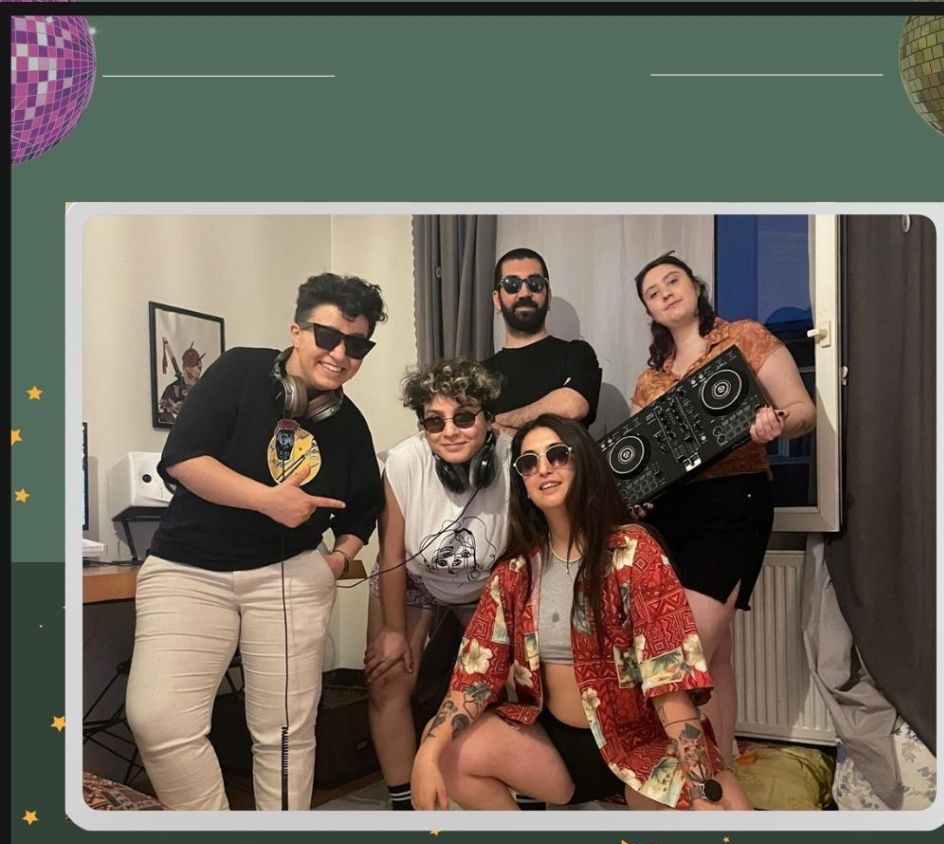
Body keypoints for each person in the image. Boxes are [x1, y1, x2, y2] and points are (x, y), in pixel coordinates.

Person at [125, 273, 387, 811]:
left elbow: (364, 508)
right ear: (297, 331)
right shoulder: (240, 370)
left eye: (357, 345)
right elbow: (182, 458)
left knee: (286, 736)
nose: (340, 354)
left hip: (290, 576)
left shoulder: (349, 425)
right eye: (328, 336)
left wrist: (338, 560)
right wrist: (269, 500)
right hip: (188, 570)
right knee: (158, 721)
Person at [410, 414, 750, 812]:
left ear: (583, 463)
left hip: (642, 741)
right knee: (447, 752)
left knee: (726, 822)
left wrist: (701, 786)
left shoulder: (633, 552)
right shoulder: (515, 573)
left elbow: (670, 678)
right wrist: (427, 753)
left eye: (557, 455)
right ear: (523, 485)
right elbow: (474, 675)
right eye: (529, 463)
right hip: (554, 747)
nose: (544, 469)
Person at [630, 252, 817, 766]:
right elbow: (644, 463)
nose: (666, 293)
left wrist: (777, 422)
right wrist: (637, 493)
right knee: (714, 658)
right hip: (670, 516)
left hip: (734, 500)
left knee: (682, 654)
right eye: (653, 292)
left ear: (695, 286)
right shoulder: (650, 379)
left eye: (673, 281)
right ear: (649, 310)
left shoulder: (745, 337)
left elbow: (804, 411)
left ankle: (694, 778)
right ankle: (723, 769)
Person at [363, 358, 512, 811]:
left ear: (488, 419)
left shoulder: (514, 457)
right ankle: (404, 805)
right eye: (435, 421)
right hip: (414, 575)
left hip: (486, 583)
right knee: (388, 677)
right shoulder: (404, 461)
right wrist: (394, 631)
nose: (450, 431)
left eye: (464, 417)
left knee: (515, 681)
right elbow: (391, 555)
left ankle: (517, 789)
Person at [484, 247, 602, 431]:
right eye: (512, 284)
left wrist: (496, 422)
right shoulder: (480, 373)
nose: (524, 293)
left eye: (535, 283)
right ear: (497, 299)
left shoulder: (576, 354)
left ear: (548, 296)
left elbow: (572, 406)